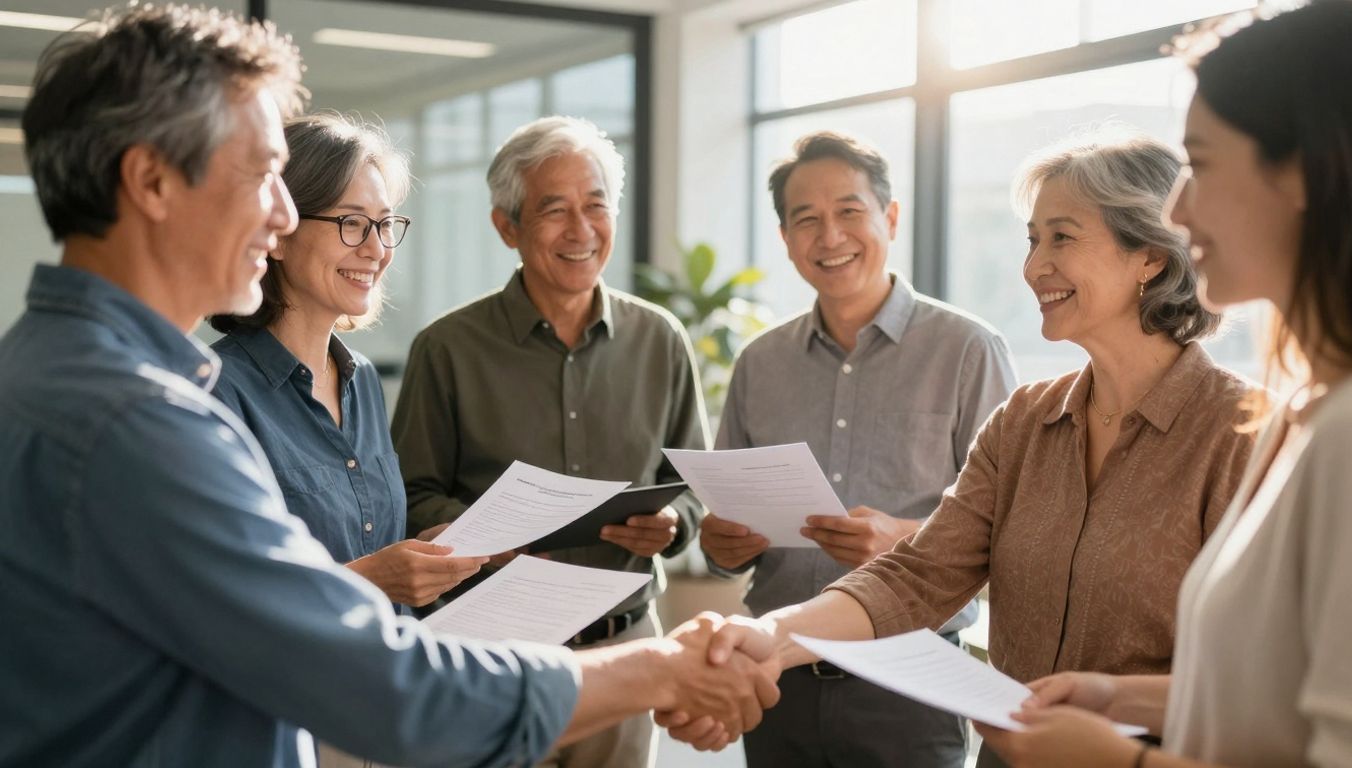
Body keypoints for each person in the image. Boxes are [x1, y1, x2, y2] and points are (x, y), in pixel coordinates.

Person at [0, 6, 776, 766]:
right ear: (152, 181)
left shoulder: (54, 372)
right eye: (264, 174)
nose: (281, 214)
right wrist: (660, 669)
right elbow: (384, 686)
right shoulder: (137, 420)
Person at [662, 129, 1258, 759]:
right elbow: (918, 575)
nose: (1033, 267)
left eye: (1061, 237)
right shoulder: (1024, 421)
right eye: (1032, 240)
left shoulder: (1241, 434)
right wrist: (772, 636)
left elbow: (1268, 669)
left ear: (1151, 257)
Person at [976, 3, 1352, 767]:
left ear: (1301, 172)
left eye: (1203, 165)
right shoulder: (1301, 417)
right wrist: (1117, 697)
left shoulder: (1351, 432)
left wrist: (1119, 760)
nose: (1179, 212)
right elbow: (1272, 691)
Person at [391, 115, 709, 768]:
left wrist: (673, 524)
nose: (580, 230)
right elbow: (411, 494)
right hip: (491, 653)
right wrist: (482, 536)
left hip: (622, 650)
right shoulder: (447, 348)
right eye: (554, 210)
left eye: (596, 205)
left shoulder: (661, 339)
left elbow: (694, 481)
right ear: (507, 226)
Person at [698, 131, 1017, 768]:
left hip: (911, 682)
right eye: (806, 220)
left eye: (849, 211)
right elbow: (722, 535)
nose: (830, 236)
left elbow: (1014, 531)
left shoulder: (968, 351)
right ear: (785, 238)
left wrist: (904, 539)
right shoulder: (760, 363)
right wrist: (720, 545)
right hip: (778, 680)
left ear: (890, 218)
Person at [209, 112, 483, 612]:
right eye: (351, 223)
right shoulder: (215, 392)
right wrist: (370, 579)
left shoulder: (363, 379)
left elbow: (365, 540)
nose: (377, 250)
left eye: (384, 224)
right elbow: (216, 595)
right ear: (278, 232)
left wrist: (425, 552)